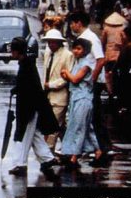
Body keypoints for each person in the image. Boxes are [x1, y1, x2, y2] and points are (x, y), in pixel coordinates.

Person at [8, 37, 59, 176]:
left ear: (17, 51)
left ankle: (20, 164)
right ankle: (47, 158)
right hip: (31, 107)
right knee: (35, 135)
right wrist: (17, 89)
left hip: (29, 108)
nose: (11, 53)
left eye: (12, 50)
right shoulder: (27, 64)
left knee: (24, 135)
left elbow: (30, 89)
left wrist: (18, 91)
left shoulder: (27, 65)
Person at [68, 11, 109, 155]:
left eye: (72, 23)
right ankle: (94, 148)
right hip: (85, 83)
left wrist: (92, 78)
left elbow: (101, 60)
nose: (71, 26)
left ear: (79, 23)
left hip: (92, 83)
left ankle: (103, 148)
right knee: (89, 117)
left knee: (94, 116)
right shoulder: (83, 38)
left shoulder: (91, 38)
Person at [60, 38, 104, 169]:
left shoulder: (86, 64)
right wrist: (66, 74)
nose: (75, 51)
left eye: (79, 49)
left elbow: (75, 79)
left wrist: (66, 73)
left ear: (85, 50)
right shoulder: (77, 62)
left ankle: (74, 156)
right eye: (74, 48)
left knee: (78, 127)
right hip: (76, 98)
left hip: (83, 99)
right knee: (86, 127)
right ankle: (98, 152)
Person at [41, 29, 74, 152]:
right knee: (57, 126)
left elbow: (66, 77)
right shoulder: (48, 54)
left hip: (59, 96)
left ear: (60, 42)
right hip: (47, 95)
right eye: (49, 42)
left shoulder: (67, 55)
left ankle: (49, 150)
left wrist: (51, 85)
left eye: (53, 42)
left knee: (53, 126)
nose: (51, 45)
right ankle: (69, 149)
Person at [101, 11, 127, 97]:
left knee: (108, 72)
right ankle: (118, 89)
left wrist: (103, 51)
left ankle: (110, 90)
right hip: (119, 54)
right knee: (117, 72)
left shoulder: (106, 29)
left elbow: (103, 41)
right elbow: (125, 40)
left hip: (109, 53)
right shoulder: (122, 29)